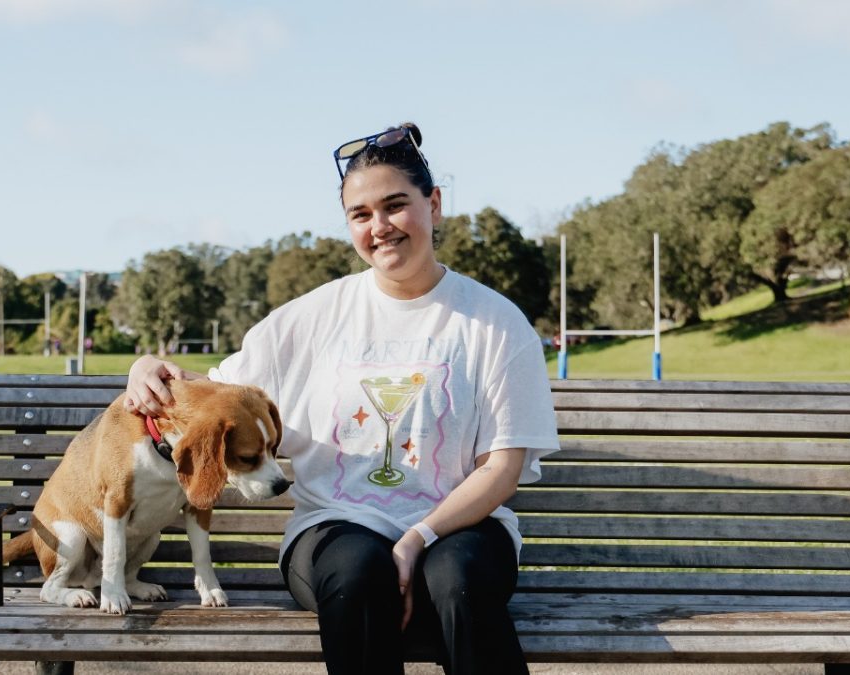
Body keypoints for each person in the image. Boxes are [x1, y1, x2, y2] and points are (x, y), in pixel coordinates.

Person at [124, 122, 560, 675]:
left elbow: (501, 469)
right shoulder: (310, 318)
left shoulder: (494, 322)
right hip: (334, 527)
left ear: (435, 204)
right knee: (359, 577)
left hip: (463, 530)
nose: (379, 227)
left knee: (457, 580)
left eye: (396, 205)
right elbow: (219, 394)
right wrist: (147, 368)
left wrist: (417, 539)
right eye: (360, 214)